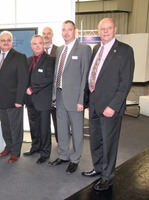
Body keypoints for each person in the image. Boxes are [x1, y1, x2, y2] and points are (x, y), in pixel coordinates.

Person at [82, 18, 135, 191]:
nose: (105, 31)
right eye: (102, 29)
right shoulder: (96, 48)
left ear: (115, 29)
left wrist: (114, 105)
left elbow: (125, 82)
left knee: (109, 142)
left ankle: (107, 176)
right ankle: (98, 168)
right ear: (98, 31)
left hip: (110, 107)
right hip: (95, 104)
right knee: (96, 140)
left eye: (109, 28)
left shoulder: (125, 51)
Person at [48, 20, 92, 175]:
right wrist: (54, 96)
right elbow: (56, 75)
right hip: (59, 95)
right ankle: (63, 155)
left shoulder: (84, 49)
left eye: (69, 30)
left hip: (75, 98)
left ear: (75, 31)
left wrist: (82, 100)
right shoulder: (60, 49)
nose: (66, 33)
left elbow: (85, 76)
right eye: (64, 30)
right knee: (61, 127)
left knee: (77, 130)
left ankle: (75, 159)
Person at [0, 31, 29, 163]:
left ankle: (15, 152)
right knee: (5, 125)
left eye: (8, 40)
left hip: (14, 100)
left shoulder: (20, 57)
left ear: (12, 42)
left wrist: (19, 100)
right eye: (3, 40)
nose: (5, 42)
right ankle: (9, 147)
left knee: (15, 127)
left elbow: (23, 80)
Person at [23, 35, 55, 164]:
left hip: (43, 100)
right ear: (31, 46)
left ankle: (45, 152)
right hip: (30, 101)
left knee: (44, 128)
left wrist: (32, 89)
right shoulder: (28, 60)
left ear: (44, 45)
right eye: (34, 44)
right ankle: (35, 147)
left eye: (40, 43)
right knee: (34, 126)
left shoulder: (50, 60)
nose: (37, 46)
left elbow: (48, 78)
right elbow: (24, 77)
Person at [42, 26, 59, 142]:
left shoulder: (59, 50)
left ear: (52, 35)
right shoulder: (38, 51)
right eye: (44, 33)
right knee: (43, 123)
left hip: (55, 94)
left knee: (58, 122)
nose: (46, 35)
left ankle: (61, 145)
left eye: (48, 33)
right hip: (42, 95)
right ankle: (45, 144)